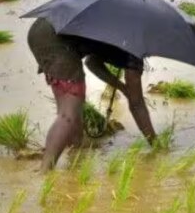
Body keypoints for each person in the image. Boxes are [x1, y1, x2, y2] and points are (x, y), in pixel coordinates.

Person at [27, 18, 156, 171]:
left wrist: (121, 87)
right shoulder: (135, 51)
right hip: (57, 39)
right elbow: (137, 104)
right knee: (68, 114)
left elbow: (92, 63)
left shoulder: (123, 30)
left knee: (73, 107)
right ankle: (45, 170)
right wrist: (156, 144)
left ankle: (76, 152)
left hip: (41, 29)